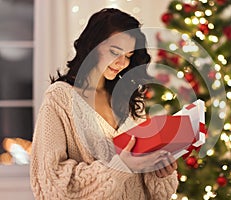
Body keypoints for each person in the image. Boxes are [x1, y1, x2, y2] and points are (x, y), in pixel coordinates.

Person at [30, 8, 179, 200]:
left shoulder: (129, 98)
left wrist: (159, 172)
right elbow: (50, 181)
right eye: (115, 52)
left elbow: (150, 186)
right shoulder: (60, 99)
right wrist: (120, 168)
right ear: (93, 46)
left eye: (128, 56)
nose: (121, 62)